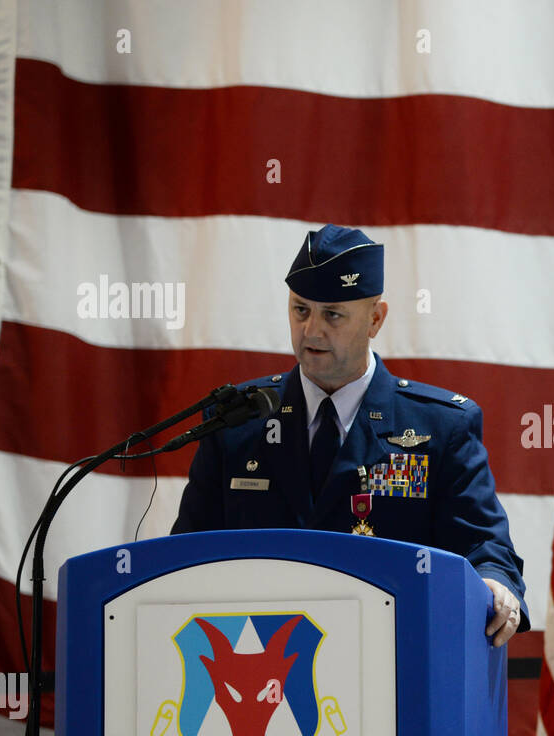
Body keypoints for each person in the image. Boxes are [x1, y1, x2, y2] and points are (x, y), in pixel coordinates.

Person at [171, 224, 528, 646]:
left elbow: (485, 545)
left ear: (375, 319)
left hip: (392, 660)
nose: (312, 331)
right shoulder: (238, 423)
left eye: (333, 314)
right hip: (258, 663)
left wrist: (493, 584)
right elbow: (188, 556)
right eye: (300, 310)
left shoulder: (440, 428)